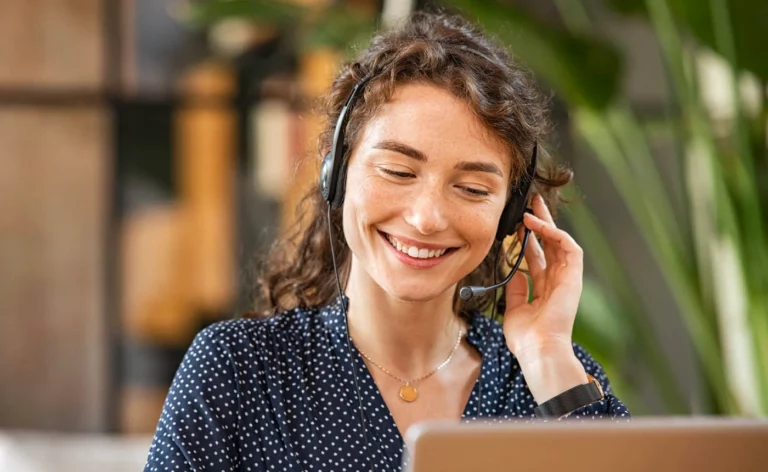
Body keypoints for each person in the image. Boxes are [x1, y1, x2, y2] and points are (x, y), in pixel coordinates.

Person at [144, 9, 630, 472]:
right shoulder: (241, 370)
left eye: (473, 189)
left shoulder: (549, 377)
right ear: (337, 173)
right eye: (398, 171)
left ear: (509, 214)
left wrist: (548, 357)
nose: (426, 217)